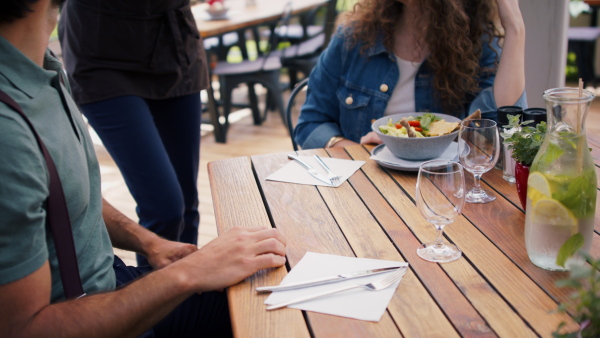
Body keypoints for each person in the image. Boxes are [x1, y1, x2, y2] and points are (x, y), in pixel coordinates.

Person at [0, 1, 287, 336]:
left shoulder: (42, 70)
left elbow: (64, 192)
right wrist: (186, 274)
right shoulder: (9, 132)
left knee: (275, 295)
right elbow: (22, 329)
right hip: (86, 313)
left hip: (112, 280)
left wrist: (150, 243)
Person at [58, 0, 208, 266]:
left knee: (186, 205)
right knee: (165, 208)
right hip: (100, 47)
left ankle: (187, 296)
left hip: (173, 42)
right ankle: (157, 300)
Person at [294, 0, 527, 150]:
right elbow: (310, 124)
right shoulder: (354, 37)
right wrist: (357, 153)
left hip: (440, 194)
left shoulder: (477, 45)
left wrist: (516, 30)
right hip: (364, 191)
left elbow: (497, 134)